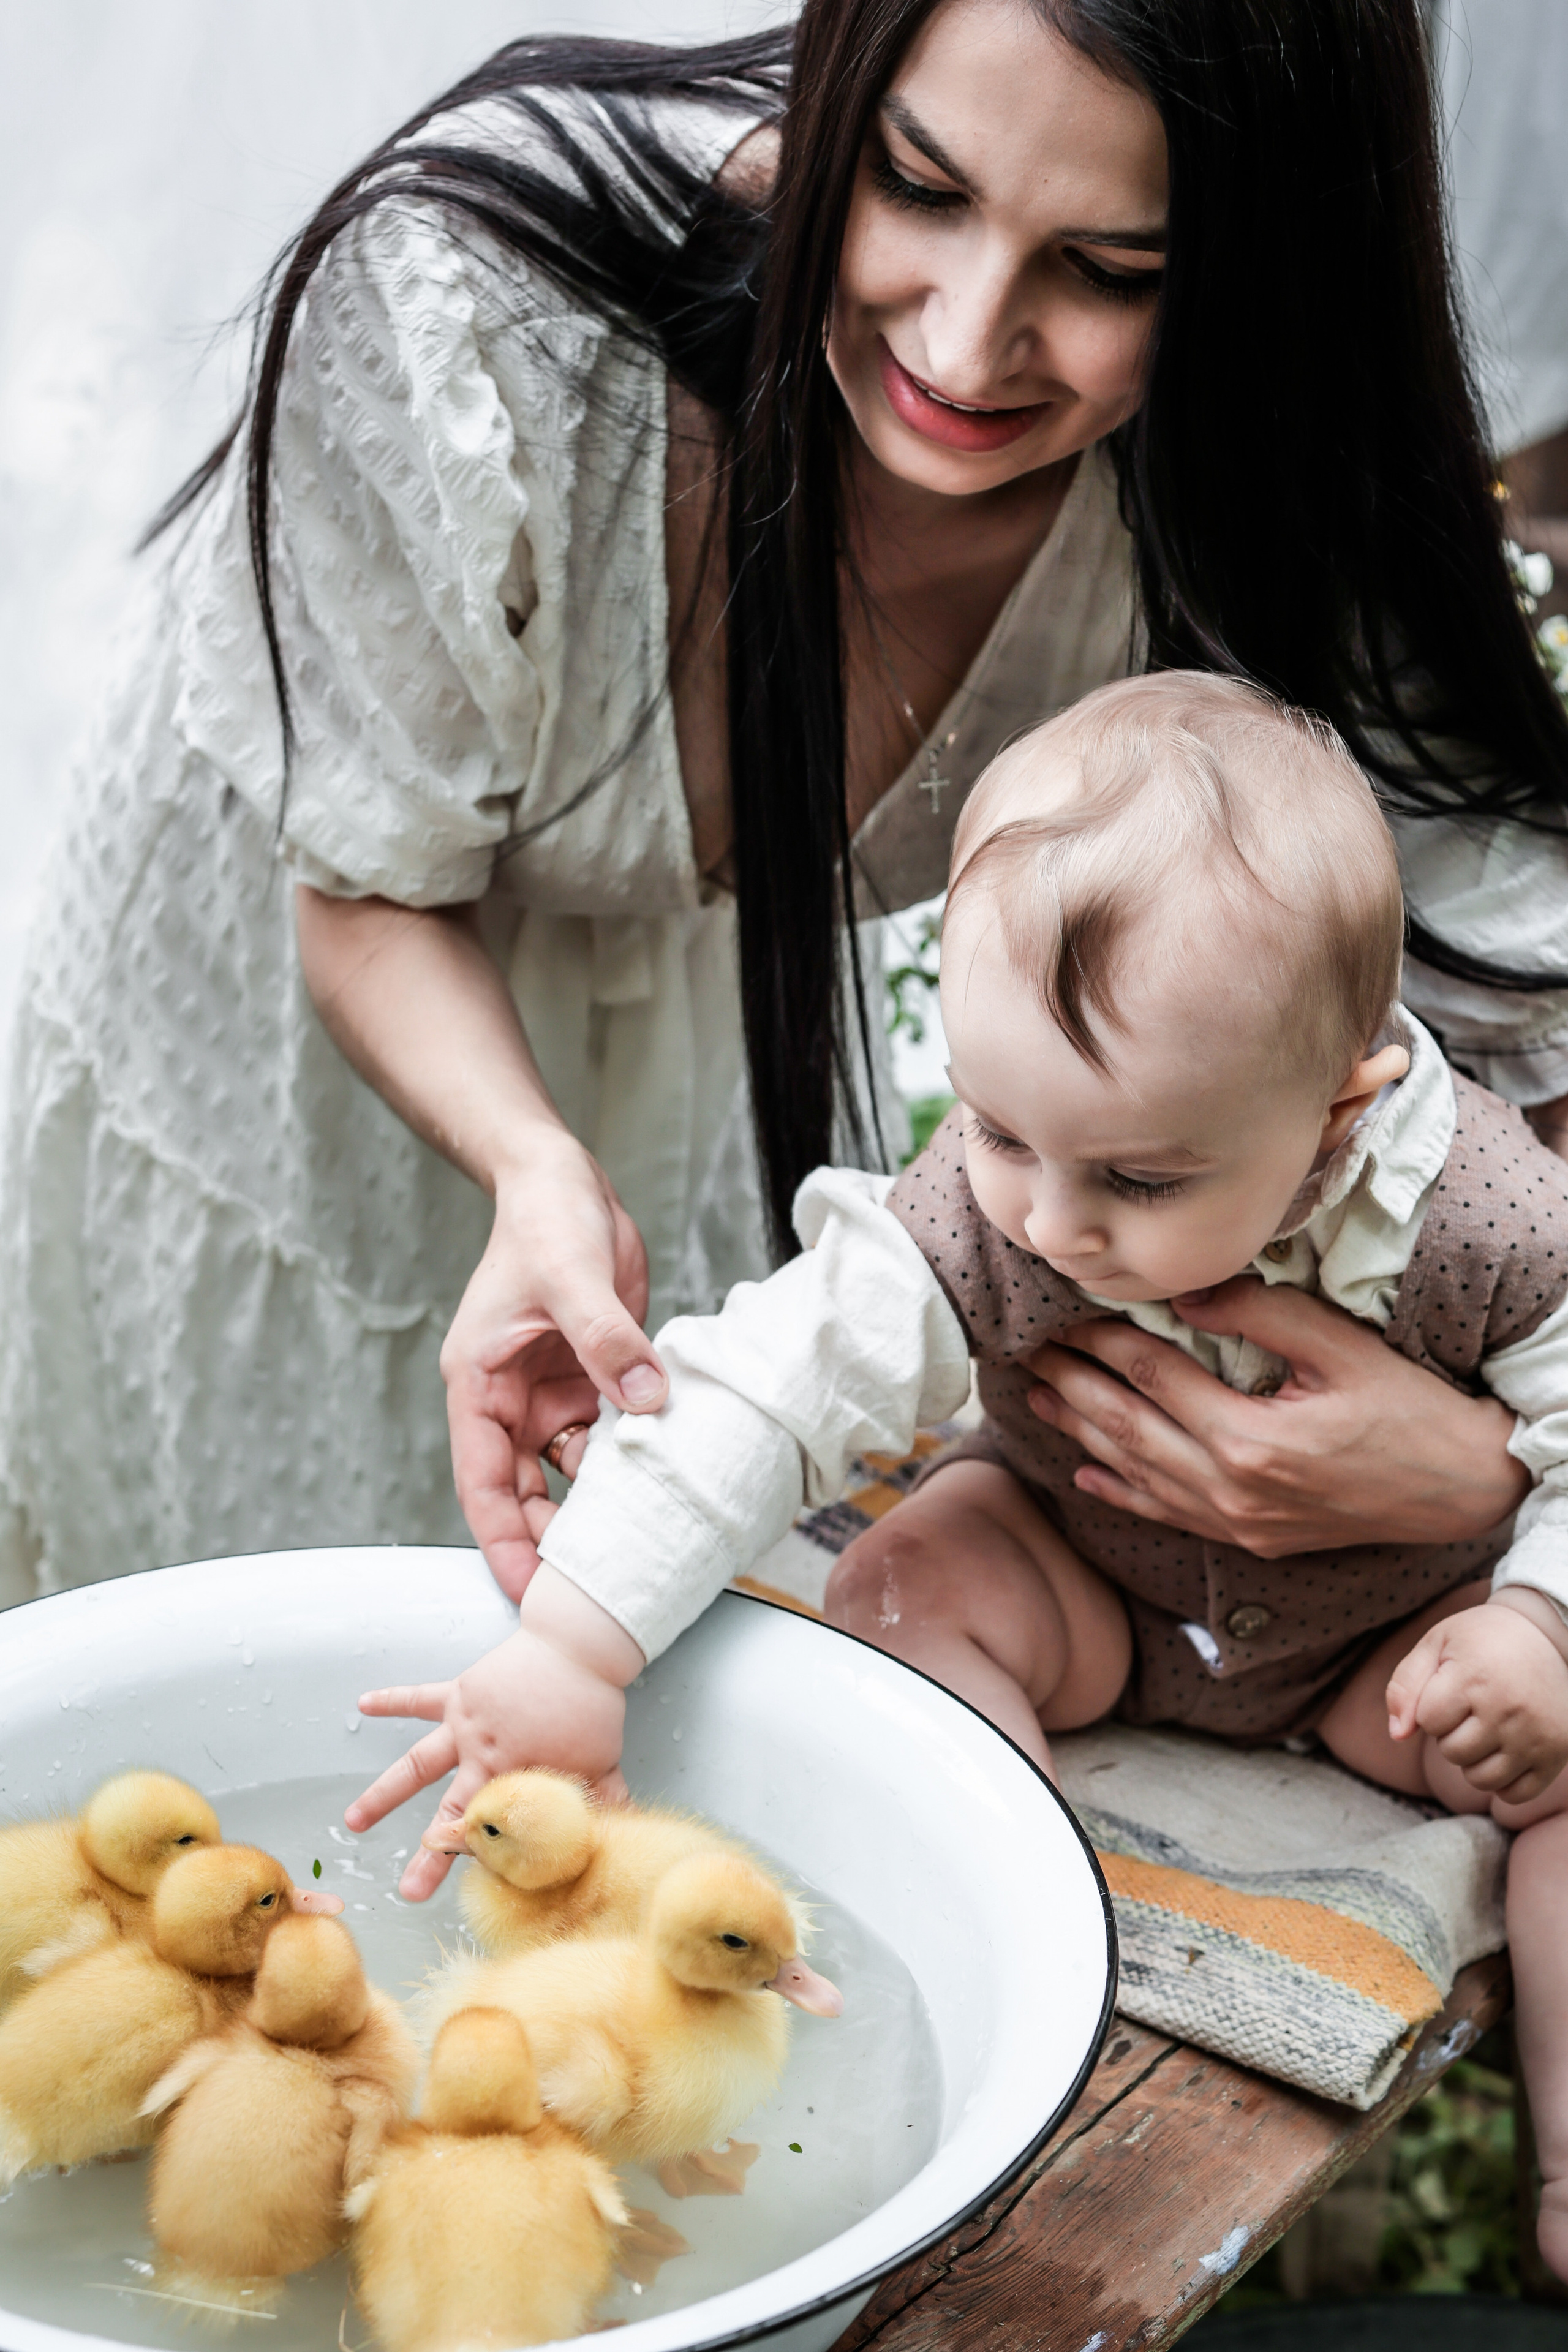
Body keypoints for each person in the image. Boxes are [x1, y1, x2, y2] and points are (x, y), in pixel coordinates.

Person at [4, 0, 1568, 1610]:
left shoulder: (1262, 475)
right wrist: (533, 1166)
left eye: (1110, 270)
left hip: (664, 1082)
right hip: (304, 1035)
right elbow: (365, 892)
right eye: (918, 187)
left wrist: (1487, 1464)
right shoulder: (477, 311)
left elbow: (1514, 949)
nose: (963, 346)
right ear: (840, 90)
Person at [347, 673, 1568, 2270]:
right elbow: (770, 1386)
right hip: (1096, 1584)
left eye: (1138, 1177)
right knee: (909, 1573)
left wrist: (1536, 1626)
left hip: (1387, 1649)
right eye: (998, 1130)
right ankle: (1023, 1932)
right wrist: (575, 1645)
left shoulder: (1483, 1214)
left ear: (1343, 1099)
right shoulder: (988, 1211)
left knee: (1562, 1777)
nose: (1054, 1222)